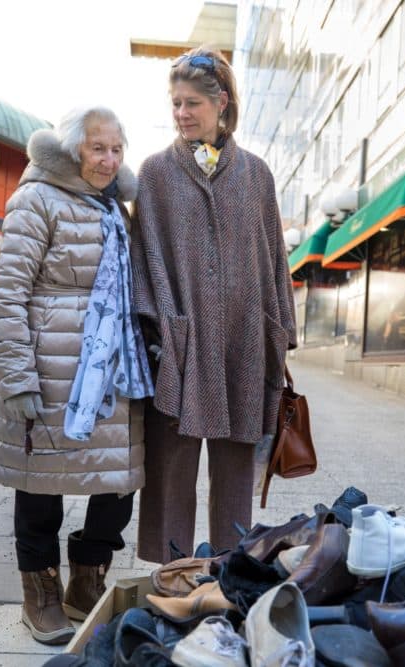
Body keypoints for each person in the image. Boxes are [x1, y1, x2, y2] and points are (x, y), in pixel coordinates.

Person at [0, 106, 153, 644]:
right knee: (40, 488)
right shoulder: (35, 199)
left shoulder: (115, 208)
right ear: (72, 149)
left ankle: (87, 581)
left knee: (118, 483)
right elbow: (6, 292)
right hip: (51, 368)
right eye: (97, 148)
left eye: (117, 149)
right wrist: (16, 377)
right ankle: (40, 594)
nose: (108, 160)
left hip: (112, 373)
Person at [131, 46, 297, 564]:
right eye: (175, 103)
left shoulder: (257, 175)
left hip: (243, 340)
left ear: (221, 103)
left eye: (192, 104)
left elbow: (274, 259)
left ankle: (231, 573)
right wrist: (158, 331)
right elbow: (143, 255)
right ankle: (171, 574)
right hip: (178, 346)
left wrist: (278, 332)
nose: (181, 114)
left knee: (235, 472)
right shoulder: (155, 173)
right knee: (171, 470)